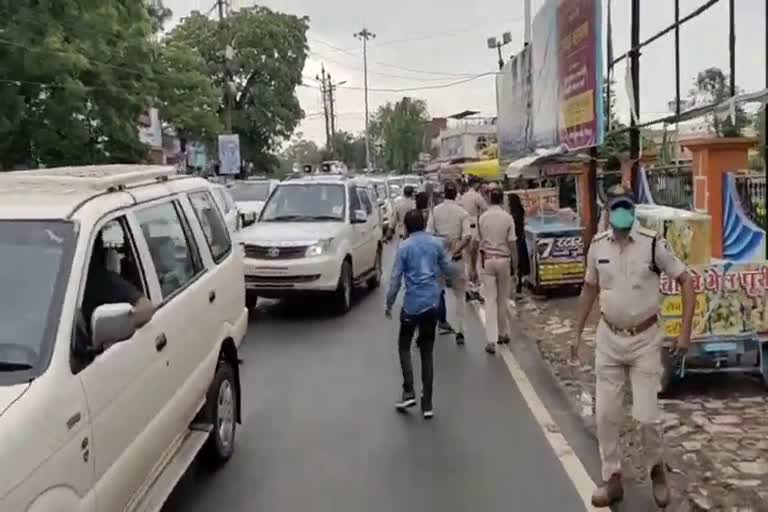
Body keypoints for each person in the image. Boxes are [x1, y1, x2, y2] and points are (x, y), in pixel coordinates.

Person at [572, 185, 694, 508]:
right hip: (608, 339)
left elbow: (686, 281)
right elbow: (589, 289)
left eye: (626, 206)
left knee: (646, 417)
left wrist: (684, 333)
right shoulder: (598, 246)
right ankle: (612, 479)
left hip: (645, 341)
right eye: (616, 206)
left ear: (633, 209)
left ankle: (656, 470)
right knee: (606, 415)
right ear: (609, 210)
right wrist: (576, 333)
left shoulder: (653, 244)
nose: (622, 212)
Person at [386, 209, 455, 419]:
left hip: (411, 306)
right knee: (427, 351)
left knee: (404, 346)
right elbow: (448, 268)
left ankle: (409, 391)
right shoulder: (436, 244)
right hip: (432, 304)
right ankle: (427, 403)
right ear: (425, 224)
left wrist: (389, 304)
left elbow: (396, 280)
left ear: (406, 227)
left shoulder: (404, 247)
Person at [471, 188, 517, 354]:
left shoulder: (482, 218)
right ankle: (503, 333)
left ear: (489, 199)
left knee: (489, 300)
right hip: (504, 260)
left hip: (488, 261)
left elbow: (476, 243)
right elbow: (512, 243)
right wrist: (516, 266)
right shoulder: (507, 218)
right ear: (501, 200)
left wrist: (472, 266)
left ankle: (491, 340)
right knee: (502, 298)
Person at [427, 181, 471, 345]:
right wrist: (456, 249)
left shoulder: (435, 211)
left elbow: (428, 233)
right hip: (456, 260)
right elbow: (467, 236)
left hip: (439, 260)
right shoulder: (462, 213)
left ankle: (435, 325)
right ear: (457, 194)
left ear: (444, 194)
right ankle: (460, 332)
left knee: (436, 293)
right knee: (460, 297)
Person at [460, 177, 488, 302]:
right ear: (475, 184)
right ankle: (475, 289)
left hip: (464, 230)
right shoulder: (477, 196)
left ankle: (467, 289)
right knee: (475, 261)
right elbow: (486, 210)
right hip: (474, 230)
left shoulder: (463, 197)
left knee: (466, 261)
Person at [507, 193, 530, 295]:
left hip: (514, 241)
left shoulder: (512, 216)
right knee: (520, 264)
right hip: (521, 240)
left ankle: (515, 285)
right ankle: (519, 284)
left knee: (514, 264)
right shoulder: (520, 211)